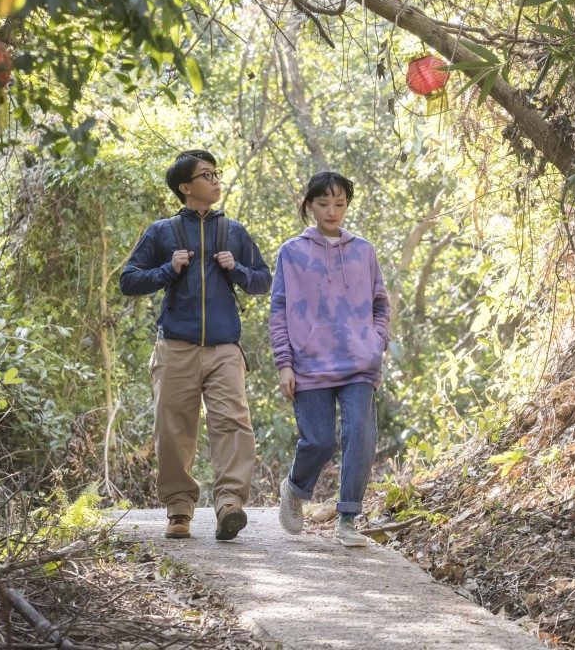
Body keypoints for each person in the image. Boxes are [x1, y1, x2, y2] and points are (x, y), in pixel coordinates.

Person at [120, 150, 271, 541]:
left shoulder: (233, 231)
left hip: (224, 348)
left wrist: (235, 268)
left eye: (217, 173)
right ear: (186, 187)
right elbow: (129, 280)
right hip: (176, 346)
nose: (216, 180)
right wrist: (168, 269)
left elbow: (262, 281)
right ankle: (179, 510)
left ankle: (229, 506)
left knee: (234, 426)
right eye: (207, 175)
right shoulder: (161, 231)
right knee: (172, 430)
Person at [269, 171, 390, 547]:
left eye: (339, 204)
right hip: (309, 363)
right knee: (319, 441)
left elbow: (380, 304)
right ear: (309, 205)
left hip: (358, 363)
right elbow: (279, 310)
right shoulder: (292, 252)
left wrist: (376, 342)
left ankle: (348, 519)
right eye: (323, 203)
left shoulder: (363, 251)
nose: (332, 211)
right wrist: (284, 363)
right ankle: (295, 487)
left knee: (361, 435)